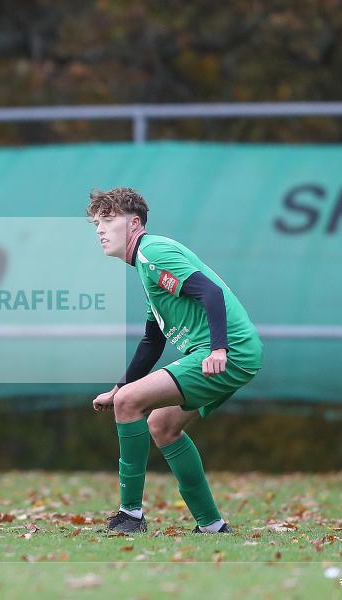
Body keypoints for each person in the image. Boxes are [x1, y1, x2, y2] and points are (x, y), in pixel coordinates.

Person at [88, 187, 262, 534]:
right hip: (232, 354)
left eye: (108, 219)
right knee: (161, 426)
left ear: (134, 223)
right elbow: (153, 340)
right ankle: (212, 525)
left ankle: (130, 516)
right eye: (96, 222)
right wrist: (118, 387)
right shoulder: (146, 266)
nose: (100, 229)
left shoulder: (153, 253)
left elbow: (209, 292)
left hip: (230, 353)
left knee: (130, 403)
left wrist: (218, 349)